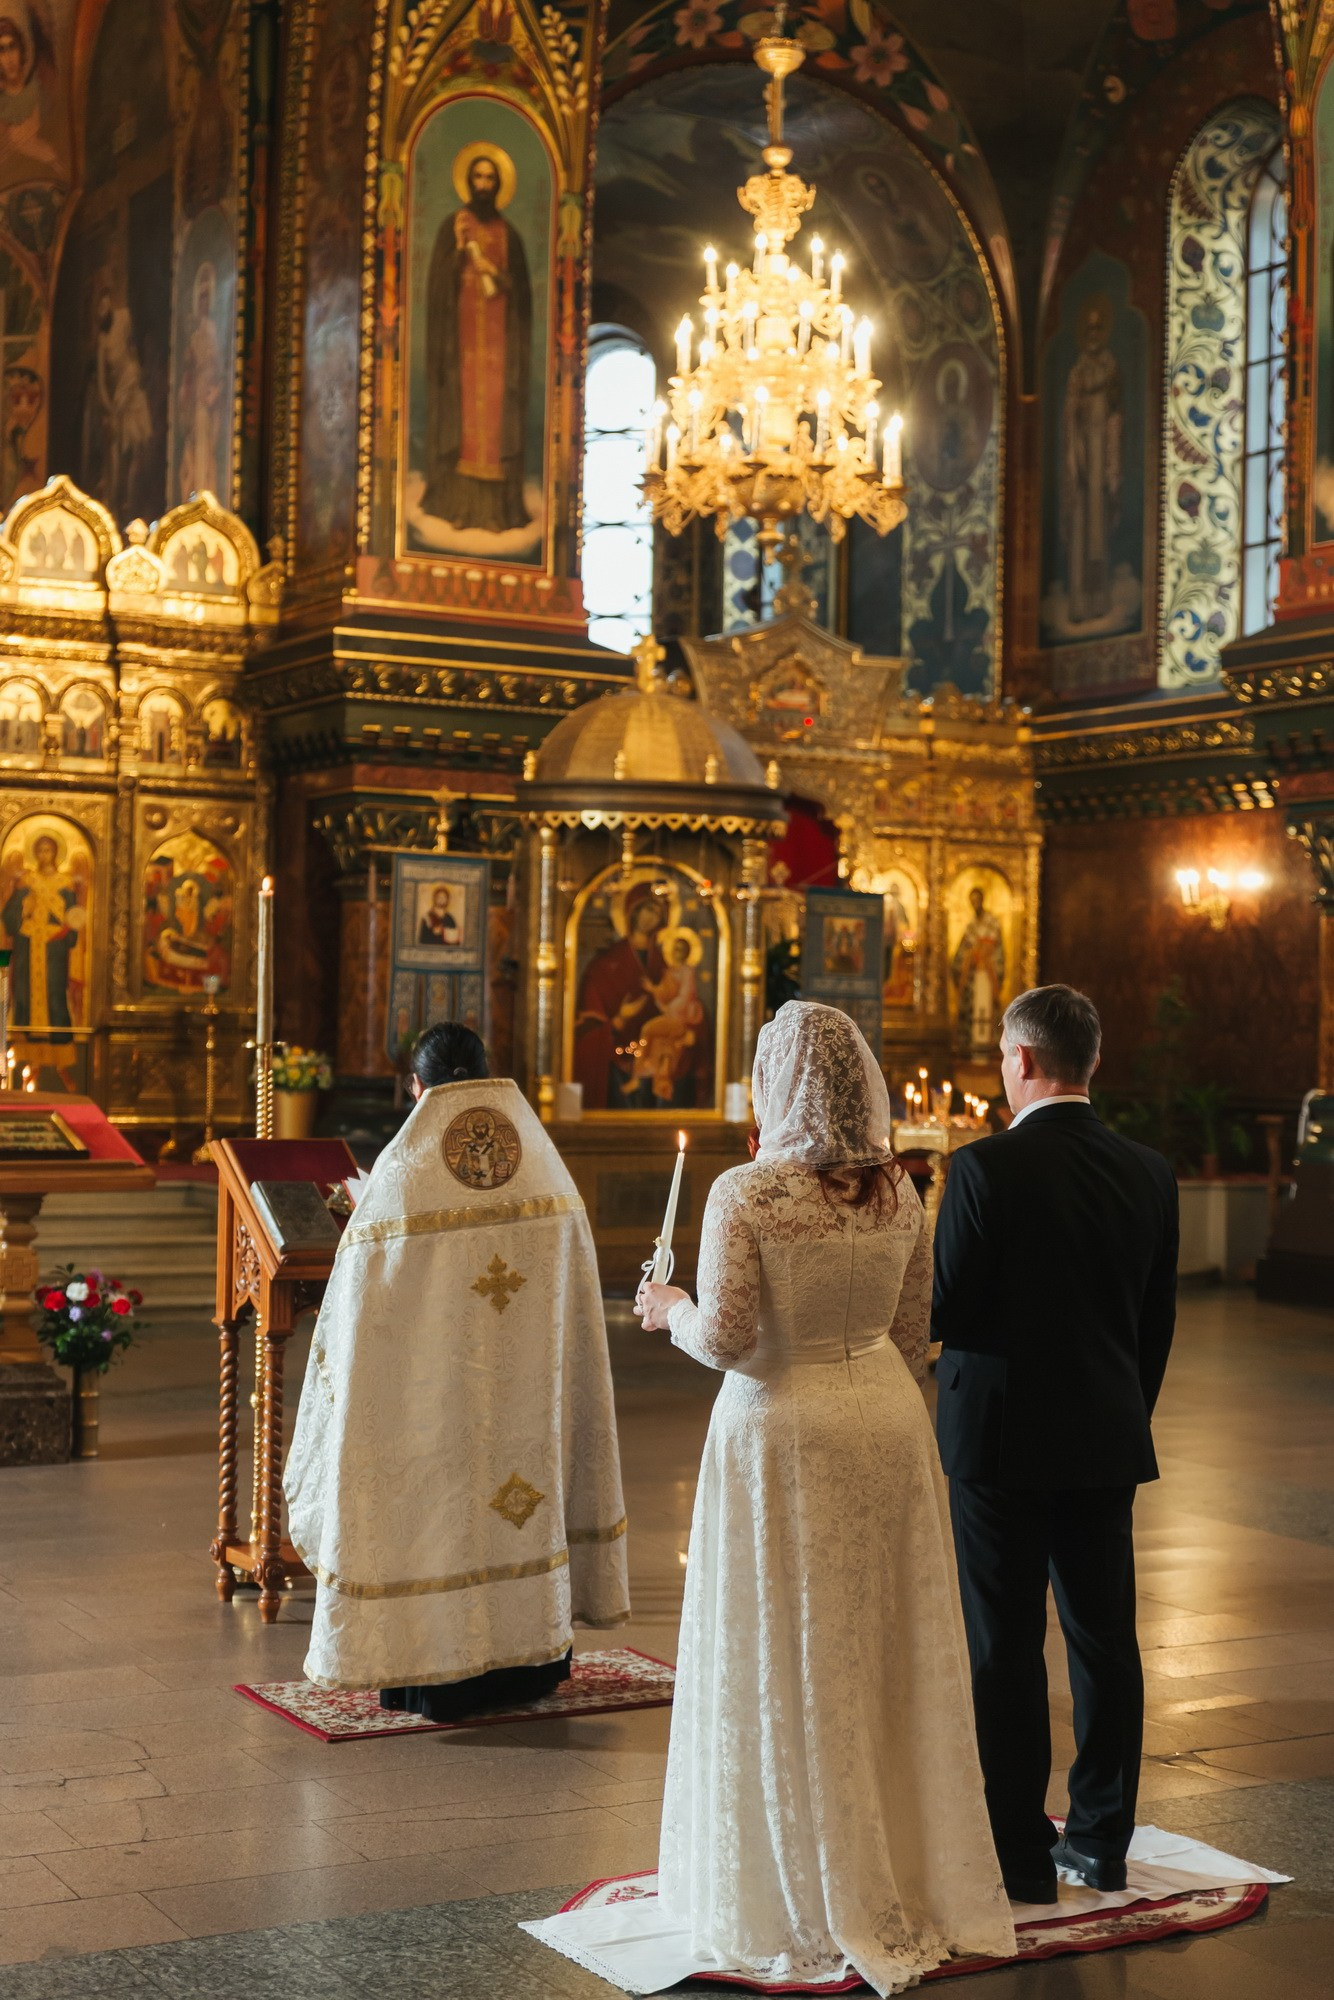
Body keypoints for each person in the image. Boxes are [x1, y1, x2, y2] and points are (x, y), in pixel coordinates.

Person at [531, 1001, 1013, 1994]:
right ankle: (895, 1866)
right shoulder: (899, 1191)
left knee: (782, 1641)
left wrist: (667, 1308)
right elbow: (917, 1325)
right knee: (877, 1643)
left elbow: (728, 1339)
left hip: (781, 1426)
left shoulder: (743, 1192)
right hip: (881, 1414)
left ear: (774, 1079)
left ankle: (790, 1881)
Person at [285, 1020, 630, 1721]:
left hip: (433, 1399)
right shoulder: (543, 1166)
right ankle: (528, 1658)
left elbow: (358, 1309)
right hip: (526, 1399)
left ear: (418, 1087)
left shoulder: (404, 1175)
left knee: (437, 1511)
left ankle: (432, 1667)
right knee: (518, 1501)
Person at [932, 984, 1178, 1904]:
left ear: (1023, 1062)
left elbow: (945, 1307)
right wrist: (1119, 1410)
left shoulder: (985, 1169)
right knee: (1105, 1640)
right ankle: (1101, 1839)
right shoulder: (1150, 1171)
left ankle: (1018, 1857)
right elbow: (1156, 1324)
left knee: (1004, 1647)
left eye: (1003, 1058)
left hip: (996, 1443)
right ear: (1095, 1064)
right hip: (1107, 1436)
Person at [422, 150, 531, 532]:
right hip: (462, 346)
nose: (483, 185)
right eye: (478, 178)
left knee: (496, 426)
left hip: (499, 348)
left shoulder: (509, 235)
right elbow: (439, 288)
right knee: (463, 419)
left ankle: (497, 513)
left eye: (490, 179)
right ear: (469, 182)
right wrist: (457, 248)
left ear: (497, 185)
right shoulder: (453, 228)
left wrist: (494, 273)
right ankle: (458, 508)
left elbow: (519, 293)